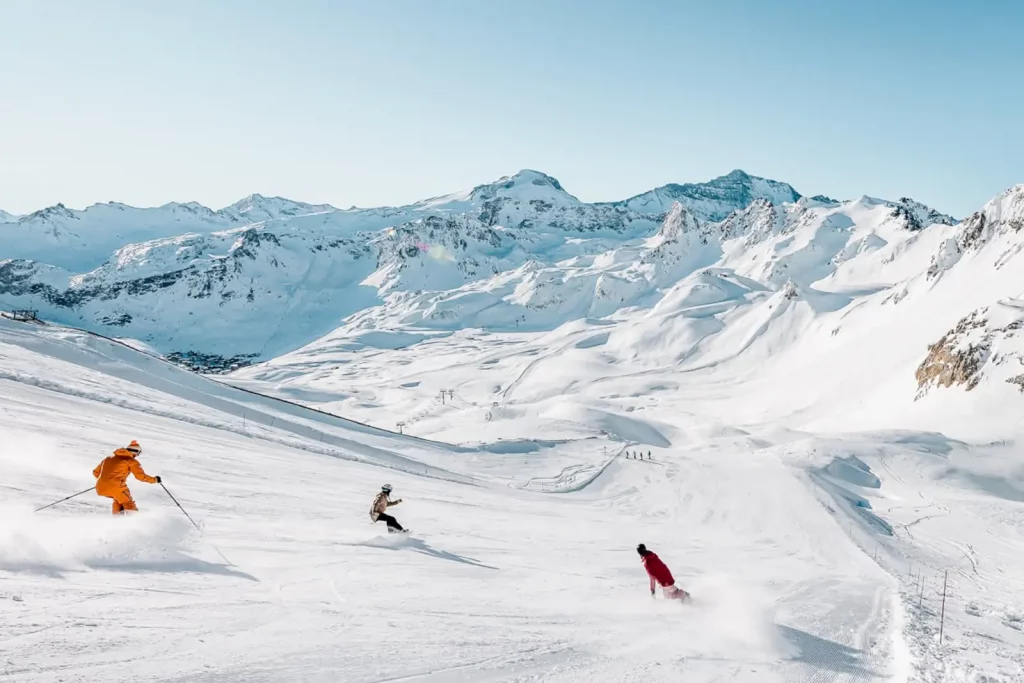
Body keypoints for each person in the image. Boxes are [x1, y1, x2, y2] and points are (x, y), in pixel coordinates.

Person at [93, 440, 160, 514]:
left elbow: (96, 473)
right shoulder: (131, 461)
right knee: (128, 503)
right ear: (136, 452)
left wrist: (106, 481)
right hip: (116, 486)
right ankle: (131, 521)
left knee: (119, 500)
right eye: (138, 453)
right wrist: (155, 480)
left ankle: (116, 519)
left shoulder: (108, 459)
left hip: (100, 487)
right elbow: (140, 476)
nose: (137, 456)